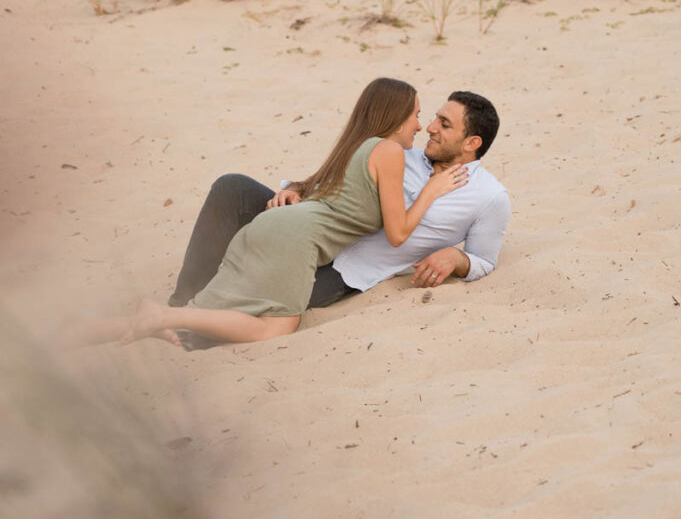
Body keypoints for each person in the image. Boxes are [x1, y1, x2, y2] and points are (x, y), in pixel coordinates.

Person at [88, 78, 467, 349]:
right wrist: (432, 191)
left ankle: (108, 328)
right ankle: (165, 317)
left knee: (210, 311)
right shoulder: (388, 152)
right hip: (296, 239)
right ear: (396, 115)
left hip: (275, 226)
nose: (420, 125)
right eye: (416, 114)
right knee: (277, 328)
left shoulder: (355, 146)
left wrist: (294, 189)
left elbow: (326, 192)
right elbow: (397, 232)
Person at [167, 90, 510, 349]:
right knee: (233, 188)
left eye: (444, 124)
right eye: (434, 118)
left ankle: (191, 330)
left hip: (342, 269)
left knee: (267, 296)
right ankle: (183, 301)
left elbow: (483, 259)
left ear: (472, 143)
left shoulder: (488, 196)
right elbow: (337, 182)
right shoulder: (399, 153)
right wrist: (298, 189)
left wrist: (457, 257)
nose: (430, 128)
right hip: (311, 224)